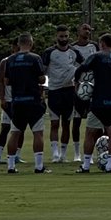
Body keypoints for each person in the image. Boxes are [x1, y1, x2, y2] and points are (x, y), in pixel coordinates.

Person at [76, 33, 111, 173]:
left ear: (103, 44)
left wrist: (78, 83)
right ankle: (110, 165)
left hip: (99, 102)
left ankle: (86, 165)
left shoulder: (98, 56)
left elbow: (82, 68)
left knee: (90, 133)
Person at [3, 33, 49, 173]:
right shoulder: (35, 58)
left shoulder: (10, 60)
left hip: (17, 101)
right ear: (30, 43)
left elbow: (6, 81)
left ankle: (11, 166)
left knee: (15, 133)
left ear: (18, 44)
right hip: (33, 100)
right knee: (38, 133)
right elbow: (41, 79)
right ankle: (38, 166)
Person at [41, 27, 83, 163]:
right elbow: (43, 72)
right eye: (61, 36)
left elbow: (83, 67)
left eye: (66, 36)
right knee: (54, 124)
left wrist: (78, 81)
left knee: (66, 123)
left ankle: (63, 155)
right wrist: (43, 87)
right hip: (54, 91)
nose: (64, 39)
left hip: (69, 91)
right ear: (56, 37)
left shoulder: (74, 52)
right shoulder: (49, 52)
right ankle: (55, 154)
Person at [70, 23, 97, 162]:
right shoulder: (73, 48)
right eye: (85, 29)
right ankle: (76, 153)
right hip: (79, 87)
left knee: (94, 122)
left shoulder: (94, 46)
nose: (87, 31)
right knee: (76, 120)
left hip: (93, 87)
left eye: (89, 29)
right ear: (78, 31)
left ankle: (93, 152)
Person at [0, 39, 20, 164]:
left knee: (20, 128)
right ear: (13, 47)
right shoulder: (6, 61)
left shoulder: (28, 59)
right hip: (9, 99)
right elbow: (0, 81)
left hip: (21, 99)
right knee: (5, 127)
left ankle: (17, 155)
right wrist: (2, 98)